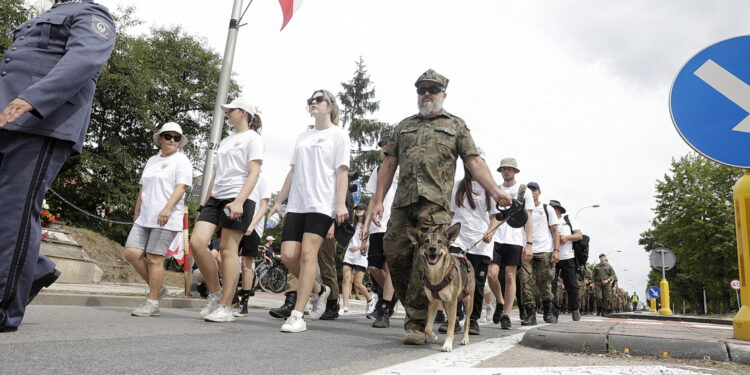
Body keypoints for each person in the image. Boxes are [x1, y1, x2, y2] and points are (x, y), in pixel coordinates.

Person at [370, 69, 511, 345]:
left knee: (427, 259)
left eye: (432, 89)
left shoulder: (456, 126)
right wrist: (377, 200)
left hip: (434, 206)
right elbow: (389, 164)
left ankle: (417, 323)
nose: (426, 94)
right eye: (421, 90)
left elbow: (473, 161)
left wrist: (495, 191)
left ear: (443, 94)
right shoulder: (403, 126)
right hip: (403, 204)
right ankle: (416, 310)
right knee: (394, 253)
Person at [0, 0, 116, 332]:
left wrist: (33, 98)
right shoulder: (45, 15)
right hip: (8, 119)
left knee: (14, 214)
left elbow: (83, 60)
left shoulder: (92, 15)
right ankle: (34, 268)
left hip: (42, 122)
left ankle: (3, 307)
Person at [268, 89, 350, 333]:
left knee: (307, 256)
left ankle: (297, 315)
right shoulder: (303, 136)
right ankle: (319, 290)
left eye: (319, 99)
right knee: (288, 255)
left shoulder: (339, 136)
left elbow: (341, 172)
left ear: (330, 105)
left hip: (321, 205)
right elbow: (293, 171)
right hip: (297, 204)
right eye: (311, 100)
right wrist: (278, 201)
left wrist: (340, 204)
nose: (313, 103)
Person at [189, 97, 263, 323]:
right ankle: (214, 292)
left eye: (230, 110)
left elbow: (254, 173)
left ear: (243, 112)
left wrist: (240, 200)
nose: (227, 113)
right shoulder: (226, 141)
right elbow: (215, 173)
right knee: (196, 243)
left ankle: (226, 305)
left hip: (238, 198)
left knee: (228, 252)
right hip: (216, 198)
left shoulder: (253, 139)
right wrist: (206, 201)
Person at [123, 123, 192, 317]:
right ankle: (158, 287)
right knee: (131, 252)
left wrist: (167, 208)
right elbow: (143, 187)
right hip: (145, 216)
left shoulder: (182, 161)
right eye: (168, 136)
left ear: (179, 142)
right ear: (160, 138)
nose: (172, 140)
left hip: (167, 217)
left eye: (176, 137)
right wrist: (137, 211)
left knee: (154, 258)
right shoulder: (152, 160)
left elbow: (182, 187)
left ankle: (152, 303)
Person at [447, 162, 497, 335]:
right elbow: (451, 213)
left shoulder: (490, 189)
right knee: (454, 280)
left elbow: (495, 217)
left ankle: (473, 319)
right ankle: (453, 318)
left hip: (481, 243)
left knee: (476, 283)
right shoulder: (459, 186)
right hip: (459, 240)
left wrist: (490, 231)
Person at [485, 158, 534, 329]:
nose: (506, 171)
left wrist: (529, 243)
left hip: (515, 239)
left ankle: (506, 314)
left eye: (510, 169)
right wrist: (490, 232)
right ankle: (499, 301)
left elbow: (528, 218)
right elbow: (493, 215)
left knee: (510, 275)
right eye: (503, 169)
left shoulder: (524, 191)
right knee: (491, 274)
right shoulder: (496, 190)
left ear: (515, 171)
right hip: (497, 237)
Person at [361, 129, 398, 328]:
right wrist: (365, 225)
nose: (385, 147)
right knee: (374, 266)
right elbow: (373, 198)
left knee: (389, 266)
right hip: (377, 224)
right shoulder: (378, 170)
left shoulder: (402, 167)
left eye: (388, 143)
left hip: (396, 222)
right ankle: (392, 294)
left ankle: (385, 306)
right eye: (382, 144)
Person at [519, 182, 559, 326]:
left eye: (534, 190)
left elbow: (555, 231)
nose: (532, 192)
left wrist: (556, 250)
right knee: (525, 282)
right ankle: (530, 314)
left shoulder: (547, 209)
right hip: (526, 251)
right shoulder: (522, 209)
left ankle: (548, 312)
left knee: (544, 284)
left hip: (545, 251)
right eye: (529, 190)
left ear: (539, 192)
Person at [235, 173, 271, 316]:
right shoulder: (240, 175)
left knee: (245, 265)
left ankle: (244, 302)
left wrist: (251, 225)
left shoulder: (262, 178)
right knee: (224, 258)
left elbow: (264, 206)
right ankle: (230, 298)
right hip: (235, 222)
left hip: (253, 227)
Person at [549, 200, 583, 321]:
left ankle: (574, 308)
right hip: (552, 257)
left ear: (558, 210)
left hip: (568, 257)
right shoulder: (547, 221)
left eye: (553, 209)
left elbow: (579, 235)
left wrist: (566, 237)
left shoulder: (568, 219)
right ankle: (553, 313)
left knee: (572, 286)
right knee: (551, 286)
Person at [340, 204, 374, 315]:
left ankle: (370, 300)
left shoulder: (369, 226)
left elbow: (369, 242)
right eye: (356, 209)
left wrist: (359, 247)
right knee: (346, 279)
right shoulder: (352, 225)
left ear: (365, 211)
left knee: (357, 283)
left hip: (361, 255)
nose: (358, 211)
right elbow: (347, 237)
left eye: (360, 209)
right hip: (350, 254)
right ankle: (345, 306)